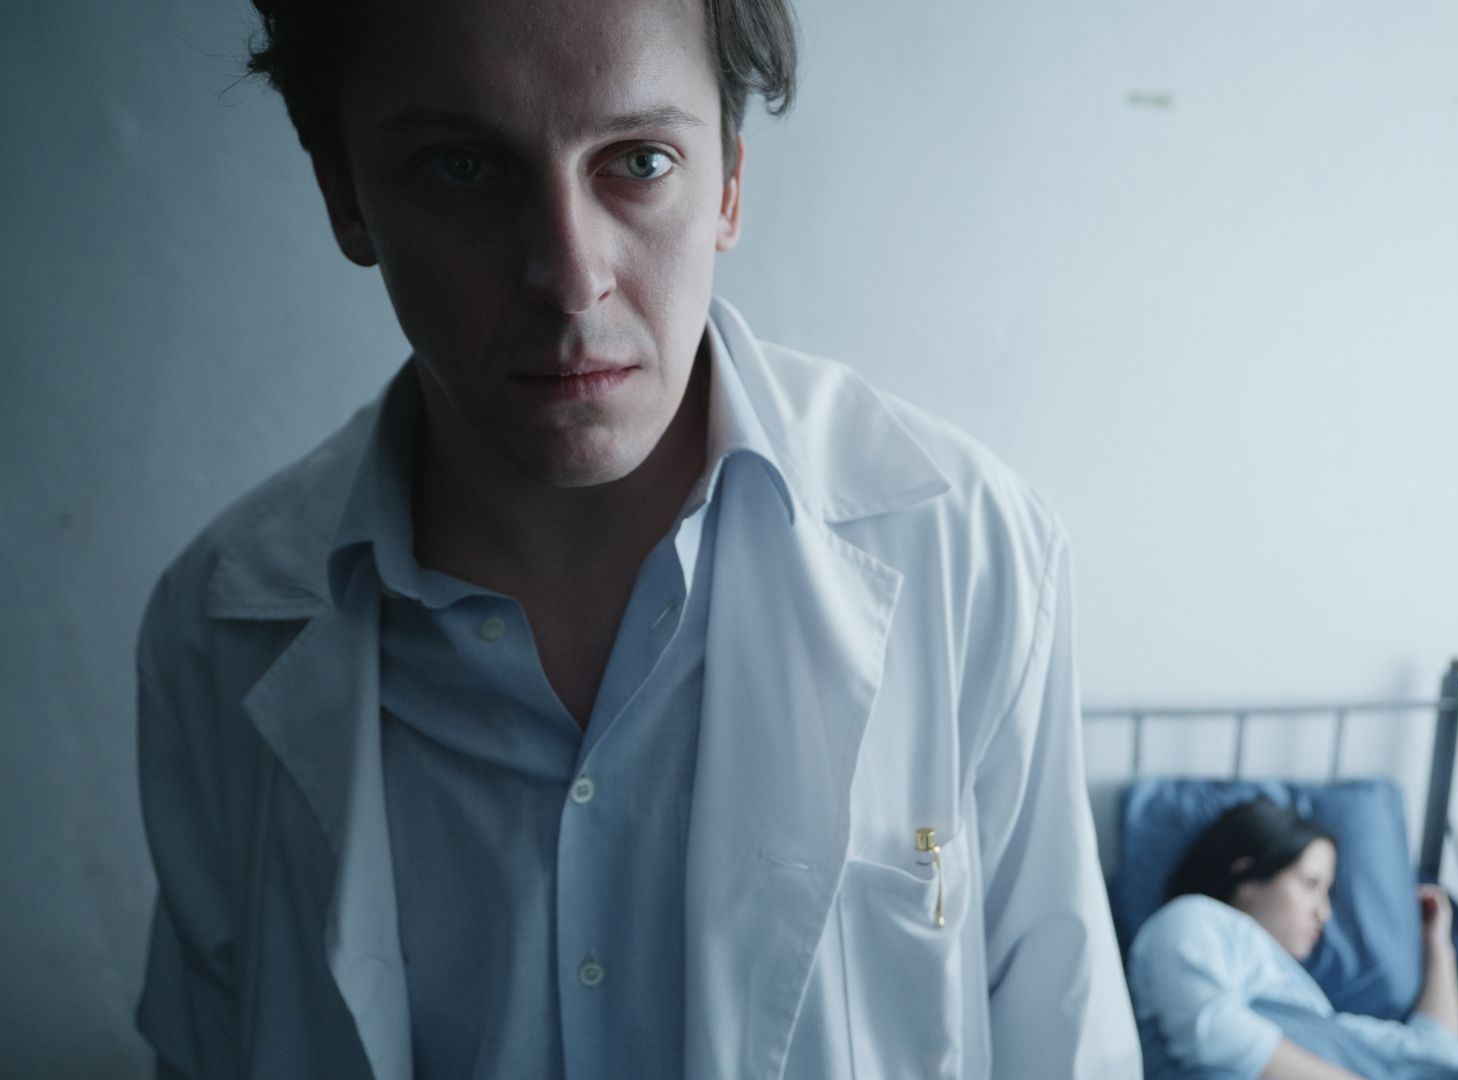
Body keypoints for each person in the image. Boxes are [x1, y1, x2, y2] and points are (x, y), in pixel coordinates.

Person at [132, 0, 1140, 1077]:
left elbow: (1064, 1045)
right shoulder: (221, 626)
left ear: (730, 182)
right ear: (347, 198)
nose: (570, 279)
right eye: (462, 168)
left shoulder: (970, 550)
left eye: (640, 160)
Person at [1128, 800, 1458, 1080]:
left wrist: (1438, 944)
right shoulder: (1192, 919)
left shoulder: (1312, 1008)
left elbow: (1440, 1051)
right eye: (1311, 885)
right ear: (1247, 875)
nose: (1324, 912)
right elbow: (1212, 1035)